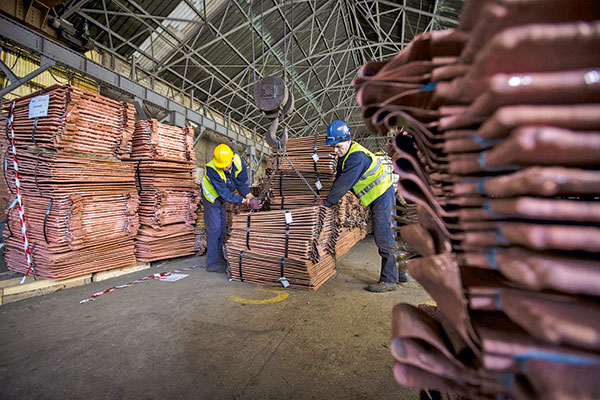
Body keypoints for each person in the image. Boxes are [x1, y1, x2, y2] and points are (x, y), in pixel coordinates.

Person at [321, 120, 408, 292]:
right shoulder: (345, 156)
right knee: (391, 233)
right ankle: (401, 273)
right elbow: (339, 179)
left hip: (381, 195)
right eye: (333, 147)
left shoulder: (356, 157)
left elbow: (342, 185)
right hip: (379, 195)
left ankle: (389, 280)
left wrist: (326, 203)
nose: (335, 150)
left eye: (337, 146)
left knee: (384, 237)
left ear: (347, 140)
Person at [202, 144, 261, 273]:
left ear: (232, 159)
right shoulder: (212, 169)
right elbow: (224, 193)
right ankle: (212, 263)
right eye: (221, 165)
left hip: (222, 196)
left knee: (222, 228)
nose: (223, 167)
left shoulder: (239, 163)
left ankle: (219, 258)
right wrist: (245, 201)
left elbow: (241, 184)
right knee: (214, 229)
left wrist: (250, 197)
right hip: (211, 197)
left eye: (226, 165)